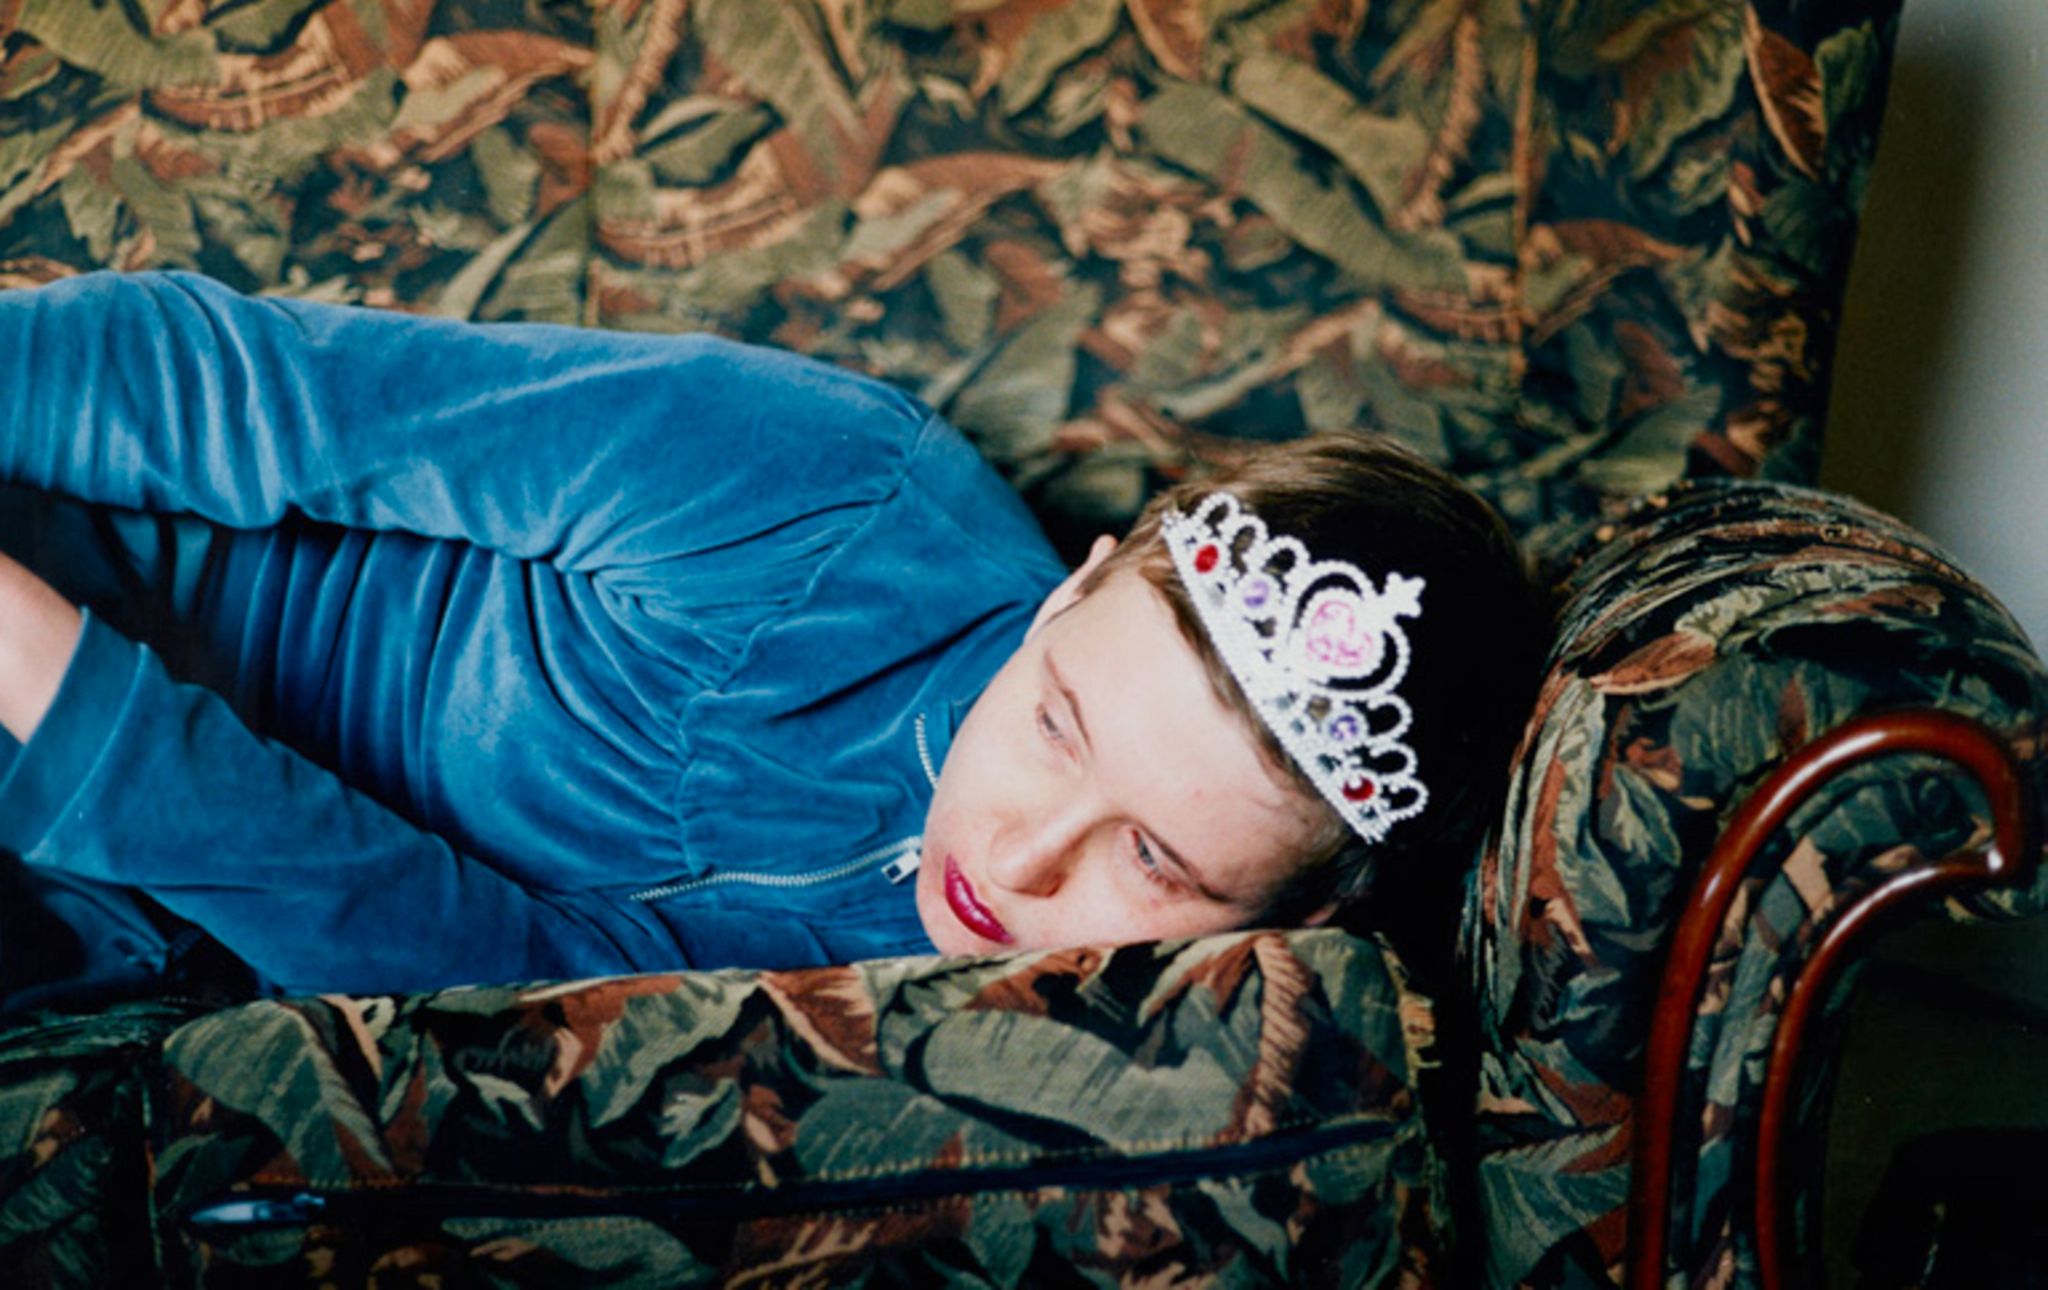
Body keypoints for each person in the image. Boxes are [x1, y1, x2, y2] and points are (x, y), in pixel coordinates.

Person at [0, 270, 1546, 1010]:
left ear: (1292, 915)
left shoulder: (1006, 1039)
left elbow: (490, 978)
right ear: (1070, 593)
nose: (1016, 861)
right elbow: (260, 393)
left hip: (125, 902)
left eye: (1155, 859)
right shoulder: (833, 498)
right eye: (1057, 719)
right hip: (64, 580)